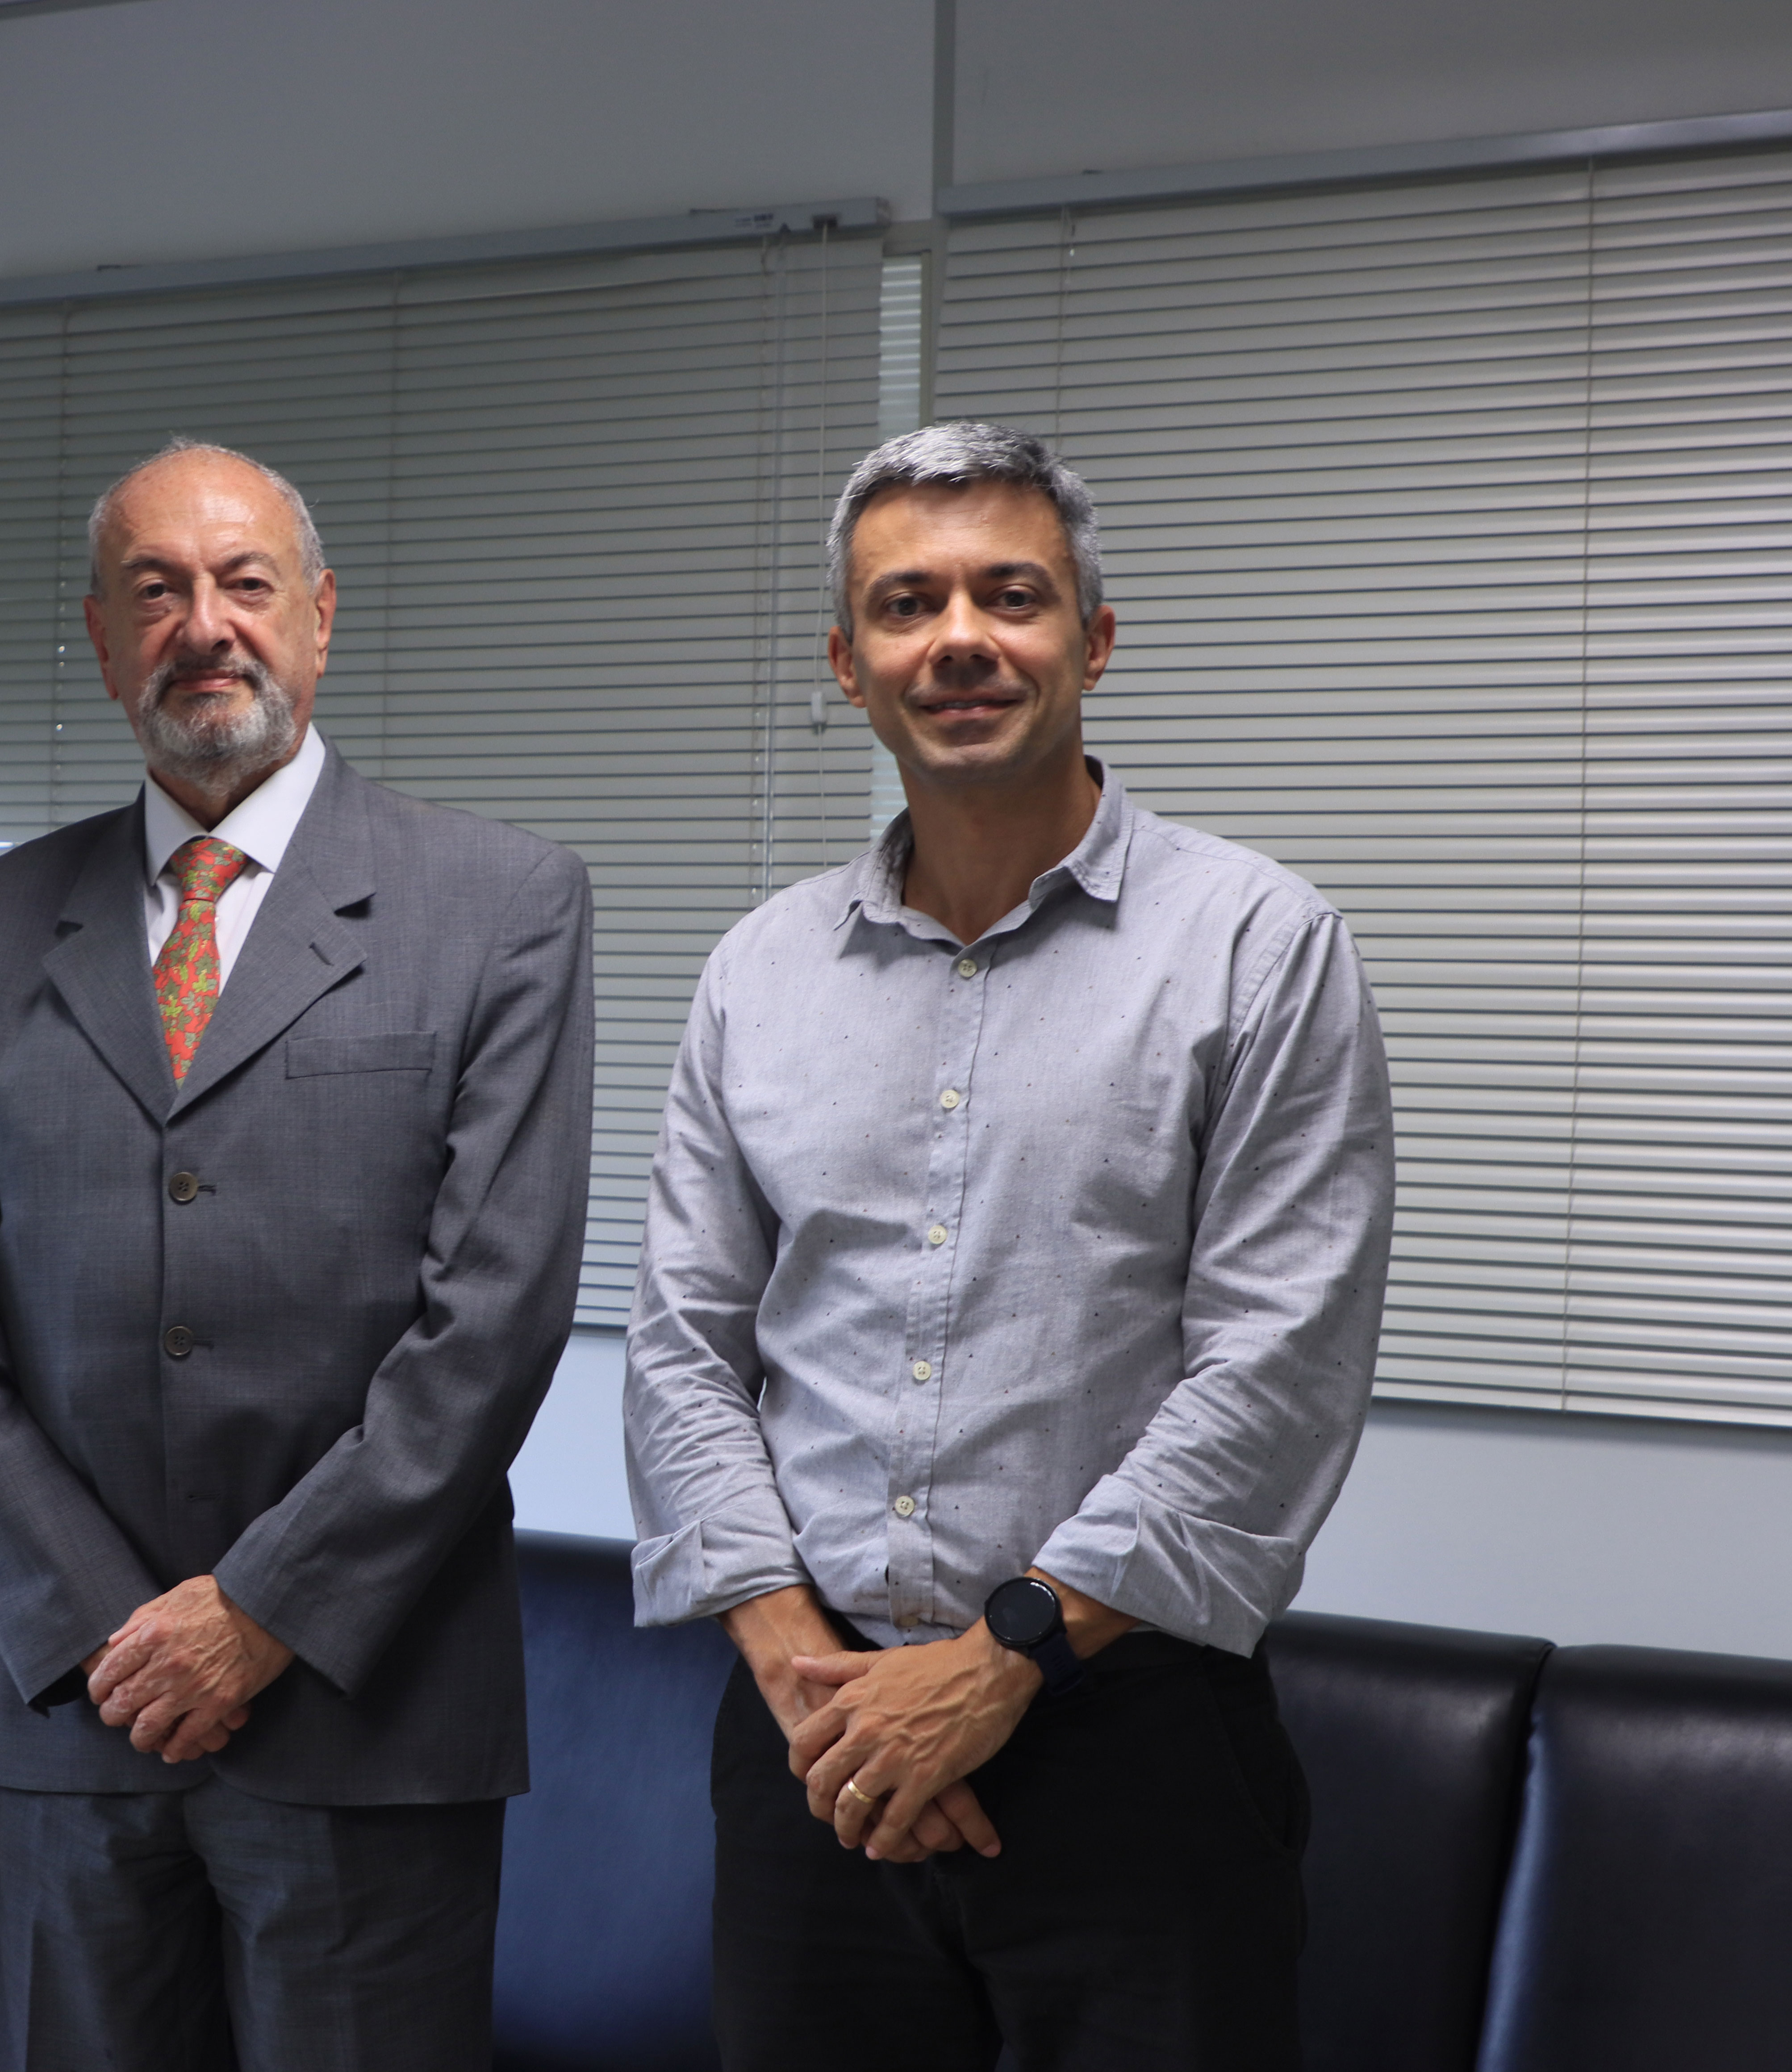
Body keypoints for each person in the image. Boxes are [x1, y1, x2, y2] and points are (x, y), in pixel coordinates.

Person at [623, 421, 1395, 2072]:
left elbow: (1277, 1371)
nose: (959, 638)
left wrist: (998, 1663)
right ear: (849, 664)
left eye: (1012, 596)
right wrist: (805, 1674)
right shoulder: (758, 976)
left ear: (1093, 641)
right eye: (907, 605)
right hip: (813, 1749)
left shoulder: (1259, 947)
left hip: (1131, 1747)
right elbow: (685, 1346)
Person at [0, 438, 595, 2071]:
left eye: (243, 583)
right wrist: (104, 1630)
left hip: (366, 1712)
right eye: (156, 592)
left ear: (320, 617)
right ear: (101, 639)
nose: (203, 626)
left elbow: (492, 1321)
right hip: (82, 1715)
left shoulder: (502, 905)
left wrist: (261, 1613)